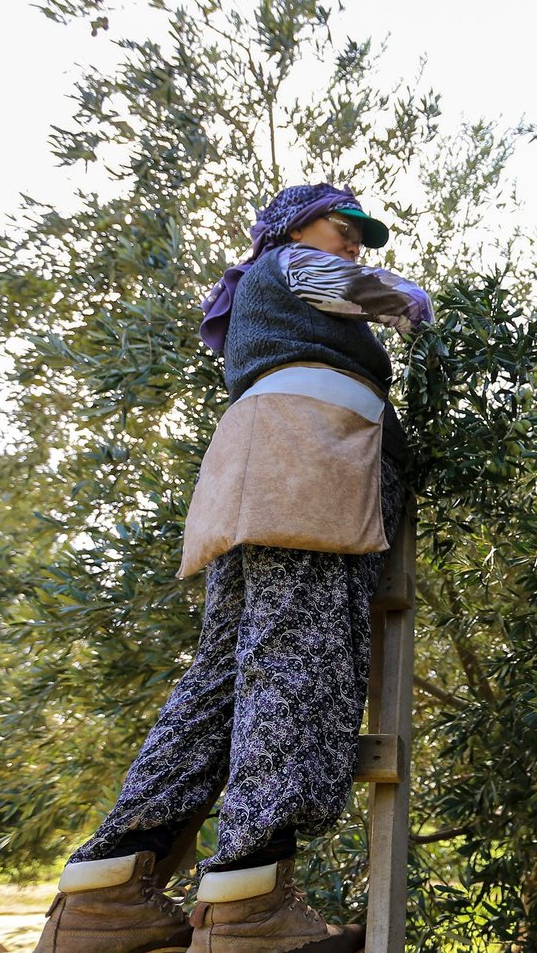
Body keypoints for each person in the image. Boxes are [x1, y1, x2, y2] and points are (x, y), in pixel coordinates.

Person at [33, 184, 433, 953]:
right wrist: (413, 300)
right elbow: (352, 287)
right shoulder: (288, 263)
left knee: (221, 681)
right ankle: (250, 904)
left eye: (361, 234)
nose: (354, 242)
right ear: (292, 226)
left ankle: (107, 890)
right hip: (305, 461)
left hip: (262, 469)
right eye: (341, 225)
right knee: (298, 657)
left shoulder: (268, 283)